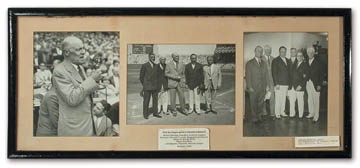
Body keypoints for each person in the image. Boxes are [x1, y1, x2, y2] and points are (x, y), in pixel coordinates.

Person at [52, 36, 102, 136]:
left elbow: (83, 91)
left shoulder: (79, 67)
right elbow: (72, 98)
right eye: (79, 49)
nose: (83, 52)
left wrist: (95, 84)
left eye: (83, 48)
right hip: (74, 129)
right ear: (66, 52)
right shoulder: (59, 71)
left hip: (86, 124)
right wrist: (91, 80)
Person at [245, 46, 269, 122]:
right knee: (253, 103)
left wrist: (267, 85)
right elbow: (248, 76)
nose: (260, 52)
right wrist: (249, 86)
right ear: (255, 52)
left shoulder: (264, 63)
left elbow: (266, 75)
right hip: (253, 87)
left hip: (262, 87)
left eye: (261, 51)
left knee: (261, 102)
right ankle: (254, 117)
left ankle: (259, 116)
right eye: (258, 51)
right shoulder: (249, 63)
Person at [139, 53, 161, 119]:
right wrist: (145, 84)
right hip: (147, 87)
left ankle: (155, 113)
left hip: (155, 87)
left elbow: (158, 76)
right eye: (151, 57)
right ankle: (145, 114)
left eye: (154, 57)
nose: (153, 58)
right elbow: (141, 77)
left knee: (155, 101)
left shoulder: (156, 66)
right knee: (146, 101)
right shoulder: (144, 65)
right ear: (149, 57)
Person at [272, 46, 290, 118]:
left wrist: (288, 83)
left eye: (284, 51)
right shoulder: (275, 60)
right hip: (279, 84)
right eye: (282, 51)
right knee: (278, 99)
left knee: (283, 99)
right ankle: (277, 113)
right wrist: (276, 83)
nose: (283, 53)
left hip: (286, 84)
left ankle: (282, 112)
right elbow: (274, 73)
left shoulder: (287, 60)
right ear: (279, 52)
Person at [288, 51, 308, 118]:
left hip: (300, 87)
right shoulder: (294, 64)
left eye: (300, 56)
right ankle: (292, 114)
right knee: (292, 101)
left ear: (302, 57)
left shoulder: (305, 65)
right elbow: (291, 75)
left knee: (300, 101)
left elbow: (306, 78)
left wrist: (301, 85)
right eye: (298, 56)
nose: (299, 57)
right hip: (293, 86)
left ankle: (300, 115)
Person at [306, 47, 323, 122]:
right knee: (310, 98)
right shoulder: (306, 61)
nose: (310, 54)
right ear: (307, 53)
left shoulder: (319, 62)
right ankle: (311, 113)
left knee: (316, 100)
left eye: (311, 52)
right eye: (309, 52)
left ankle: (316, 116)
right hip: (308, 82)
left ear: (314, 53)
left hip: (316, 83)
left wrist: (319, 84)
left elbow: (321, 74)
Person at [262, 45, 275, 119]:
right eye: (267, 50)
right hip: (264, 81)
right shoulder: (261, 59)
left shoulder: (273, 59)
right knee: (264, 97)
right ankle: (264, 112)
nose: (268, 51)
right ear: (264, 51)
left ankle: (272, 113)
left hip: (272, 81)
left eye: (269, 50)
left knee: (272, 97)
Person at [287, 48, 299, 117]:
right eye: (291, 52)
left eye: (294, 52)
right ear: (290, 52)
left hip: (297, 84)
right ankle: (292, 113)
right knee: (291, 99)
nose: (293, 53)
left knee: (298, 100)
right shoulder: (287, 61)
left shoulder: (299, 61)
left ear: (296, 53)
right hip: (290, 84)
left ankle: (299, 113)